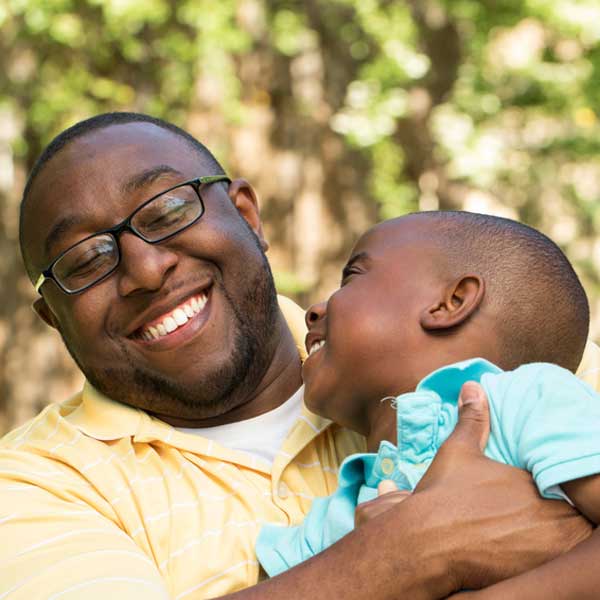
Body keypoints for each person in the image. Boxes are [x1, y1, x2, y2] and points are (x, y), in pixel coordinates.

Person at [0, 112, 593, 599]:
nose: (146, 270)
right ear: (55, 317)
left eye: (168, 211)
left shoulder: (512, 373)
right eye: (85, 260)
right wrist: (410, 551)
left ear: (248, 215)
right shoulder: (33, 484)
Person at [256, 212, 600, 598]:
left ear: (451, 302)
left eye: (352, 276)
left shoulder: (531, 400)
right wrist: (369, 556)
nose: (314, 311)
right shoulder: (339, 511)